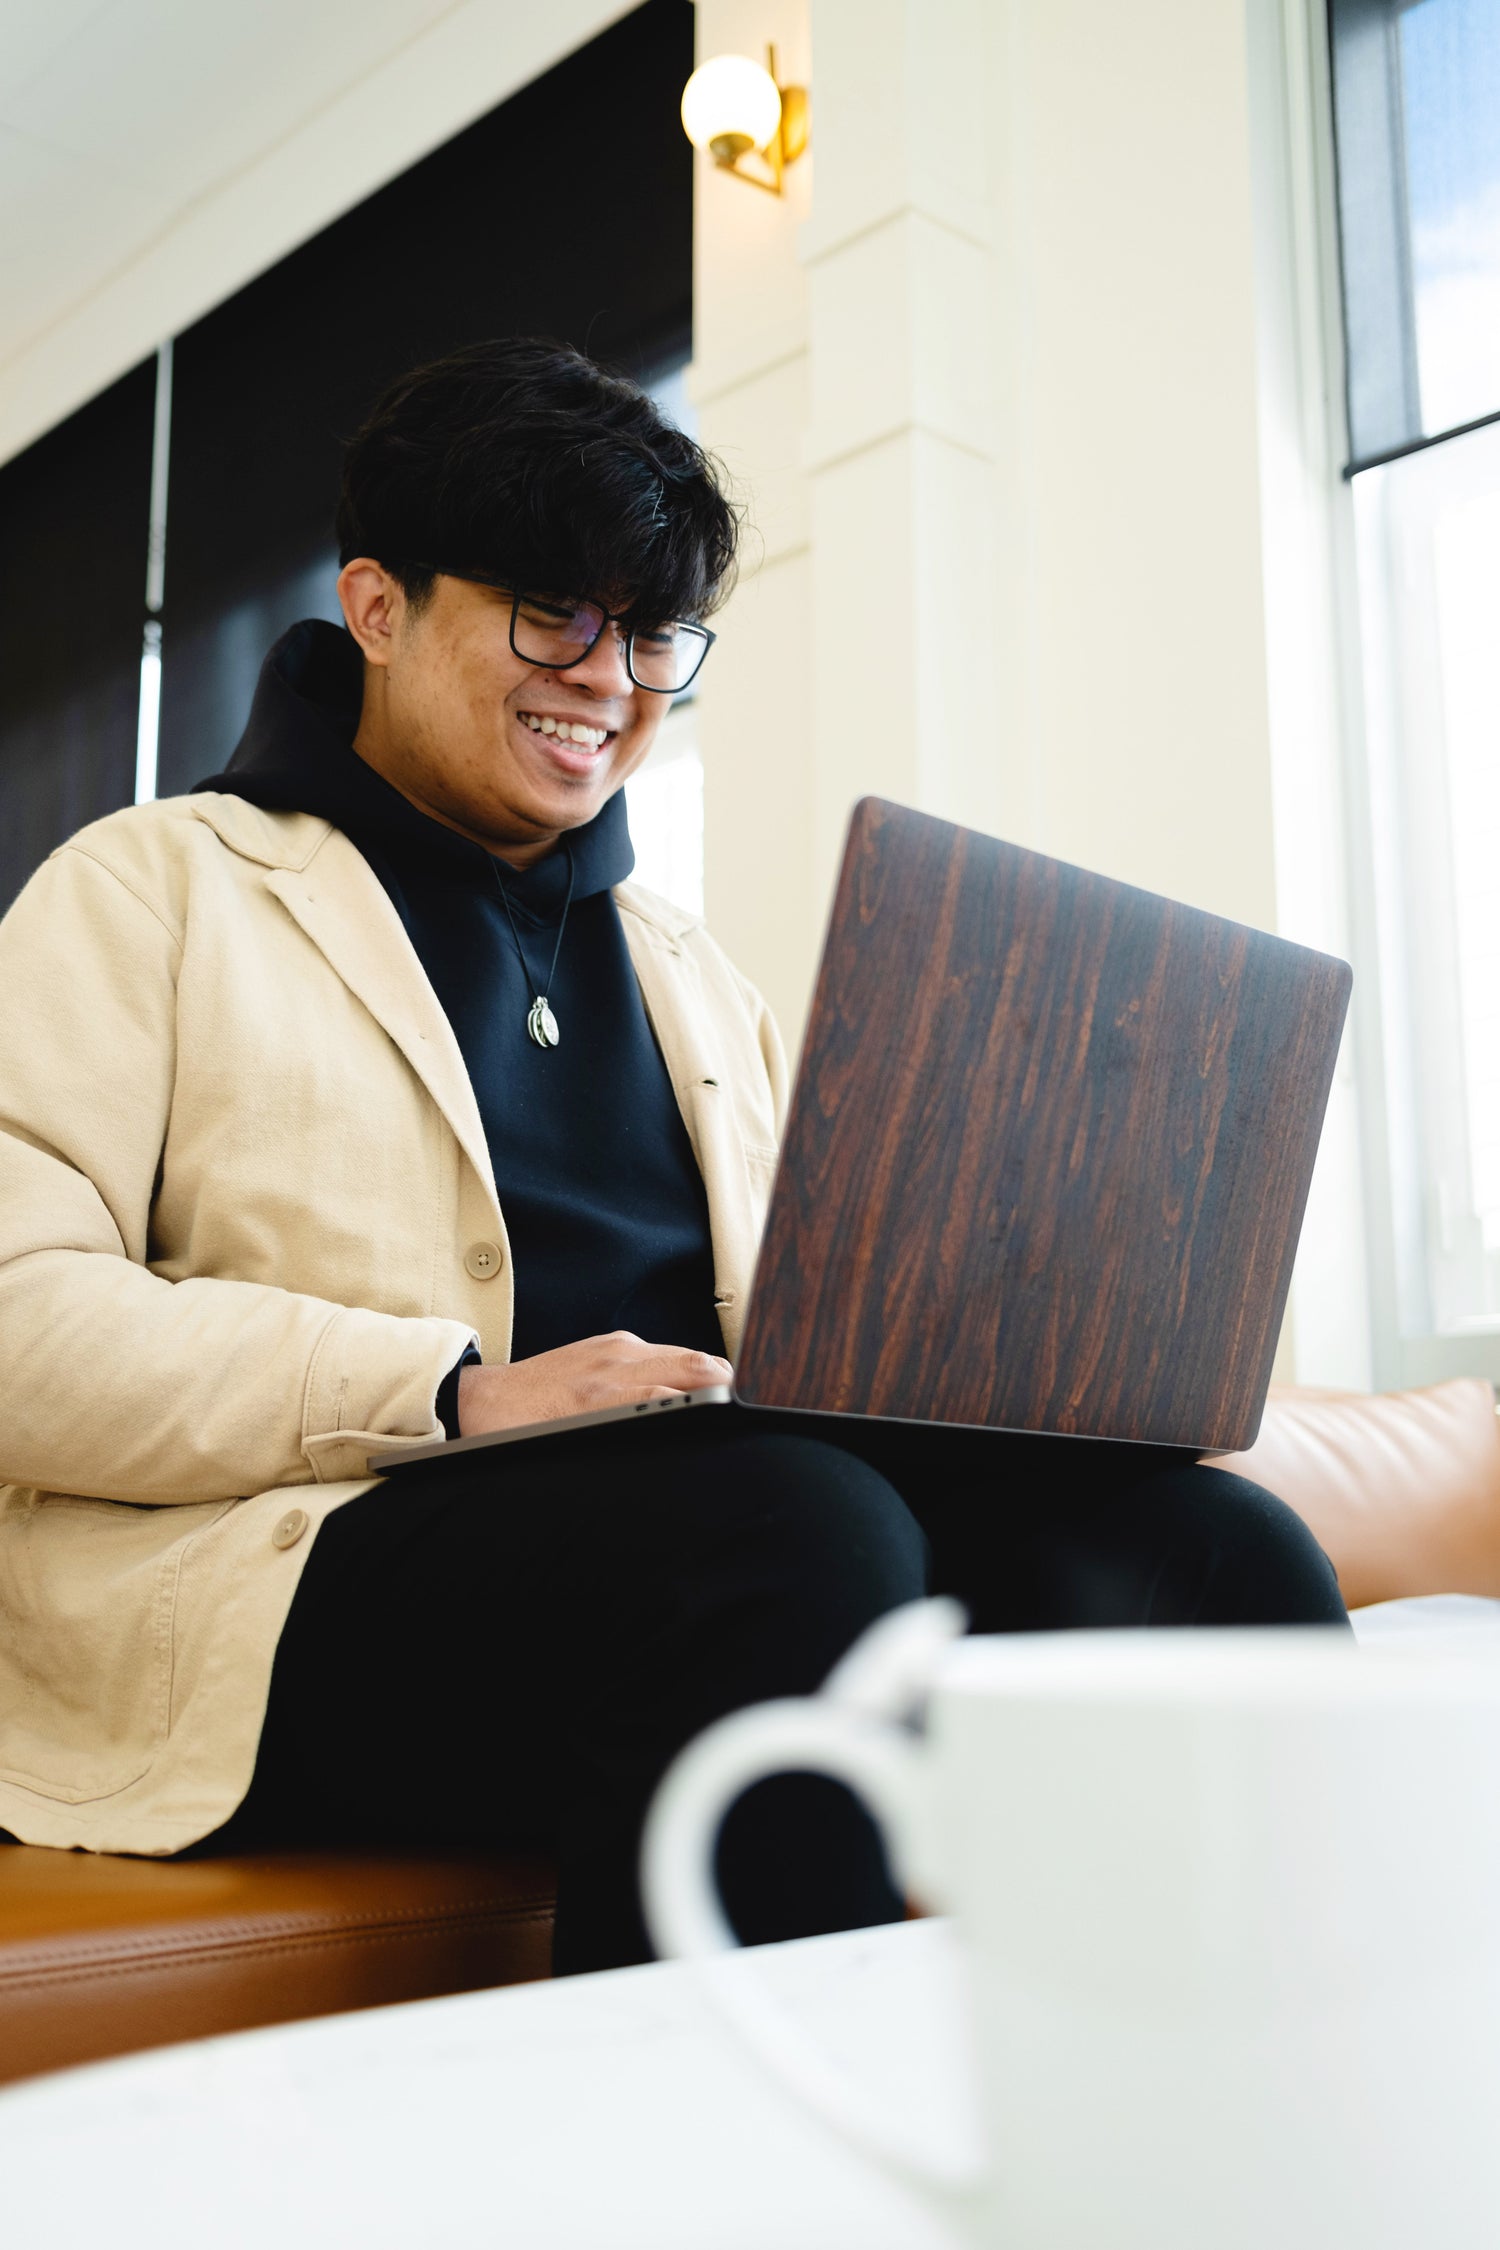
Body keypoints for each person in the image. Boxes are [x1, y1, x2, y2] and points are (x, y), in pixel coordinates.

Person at [0, 340, 1347, 1972]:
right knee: (789, 1530)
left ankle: (1219, 2138)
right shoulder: (153, 888)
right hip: (293, 1575)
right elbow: (22, 1321)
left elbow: (809, 1336)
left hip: (723, 1530)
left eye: (649, 633)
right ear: (375, 605)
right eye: (553, 614)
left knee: (1207, 1551)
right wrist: (455, 1387)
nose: (611, 680)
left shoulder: (693, 973)